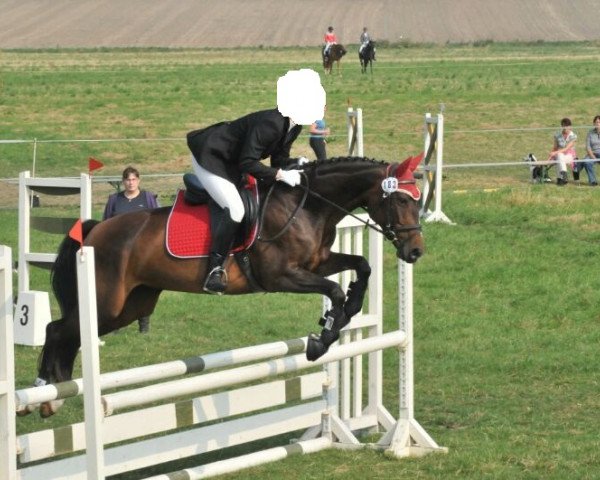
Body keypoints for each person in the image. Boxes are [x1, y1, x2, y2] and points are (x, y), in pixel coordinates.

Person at [187, 69, 326, 295]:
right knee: (236, 210)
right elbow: (247, 163)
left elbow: (278, 159)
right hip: (210, 157)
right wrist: (280, 175)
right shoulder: (271, 123)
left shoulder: (293, 125)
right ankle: (214, 270)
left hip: (230, 161)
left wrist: (297, 163)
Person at [103, 166, 160, 333]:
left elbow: (156, 223)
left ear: (139, 181)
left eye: (134, 179)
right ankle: (115, 324)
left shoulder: (148, 198)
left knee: (143, 288)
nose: (131, 183)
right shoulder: (114, 199)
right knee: (116, 289)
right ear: (123, 182)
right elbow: (105, 223)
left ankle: (144, 326)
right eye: (128, 180)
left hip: (142, 253)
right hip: (118, 251)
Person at [548, 117, 577, 186]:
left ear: (570, 126)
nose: (565, 128)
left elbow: (567, 148)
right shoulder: (557, 135)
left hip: (570, 156)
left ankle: (560, 177)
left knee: (559, 155)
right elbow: (555, 147)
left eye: (567, 126)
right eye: (563, 126)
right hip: (560, 155)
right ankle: (562, 177)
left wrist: (555, 153)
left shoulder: (573, 136)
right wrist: (550, 157)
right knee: (559, 156)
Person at [580, 115, 600, 186]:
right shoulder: (590, 133)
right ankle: (593, 181)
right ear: (594, 123)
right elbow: (588, 146)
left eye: (599, 122)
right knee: (586, 161)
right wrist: (592, 156)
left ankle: (577, 168)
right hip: (593, 153)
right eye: (596, 122)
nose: (598, 124)